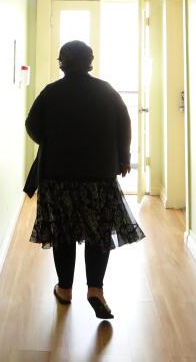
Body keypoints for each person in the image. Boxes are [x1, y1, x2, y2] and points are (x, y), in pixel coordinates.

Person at [24, 40, 146, 320]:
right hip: (99, 175)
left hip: (58, 175)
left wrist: (52, 141)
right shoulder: (106, 91)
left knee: (63, 233)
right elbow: (124, 123)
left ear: (63, 62)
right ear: (90, 61)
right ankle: (95, 290)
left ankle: (64, 290)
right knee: (98, 233)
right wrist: (124, 157)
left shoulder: (51, 92)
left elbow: (32, 124)